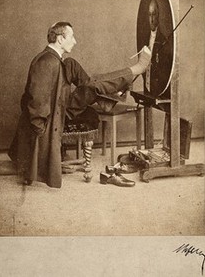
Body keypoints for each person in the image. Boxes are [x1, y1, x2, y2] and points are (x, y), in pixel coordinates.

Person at [9, 22, 151, 188]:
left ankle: (107, 94)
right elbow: (36, 100)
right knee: (91, 86)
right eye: (72, 37)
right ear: (60, 39)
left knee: (79, 72)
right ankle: (128, 76)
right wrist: (41, 129)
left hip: (61, 107)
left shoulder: (57, 60)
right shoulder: (46, 62)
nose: (75, 41)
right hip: (48, 121)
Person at [144, 0, 173, 97]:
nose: (151, 19)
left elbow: (165, 72)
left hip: (158, 90)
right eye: (150, 15)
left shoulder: (163, 41)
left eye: (154, 14)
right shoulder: (144, 38)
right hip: (147, 89)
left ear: (158, 16)